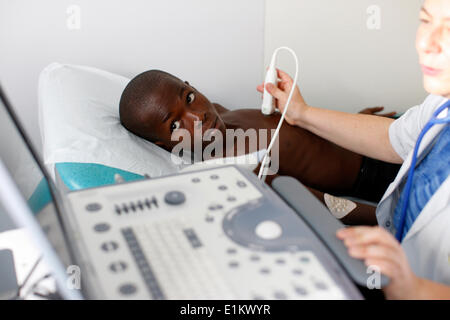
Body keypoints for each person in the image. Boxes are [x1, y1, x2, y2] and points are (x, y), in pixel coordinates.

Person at [257, 0, 450, 299]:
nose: (426, 42)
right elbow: (394, 138)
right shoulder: (442, 102)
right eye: (425, 20)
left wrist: (416, 288)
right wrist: (301, 113)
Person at [119, 69, 400, 215]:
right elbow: (319, 203)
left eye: (189, 97)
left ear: (190, 85)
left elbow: (300, 135)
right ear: (167, 145)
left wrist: (353, 123)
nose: (198, 116)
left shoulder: (219, 111)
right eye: (176, 125)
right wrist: (383, 219)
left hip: (360, 139)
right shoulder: (240, 167)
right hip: (374, 177)